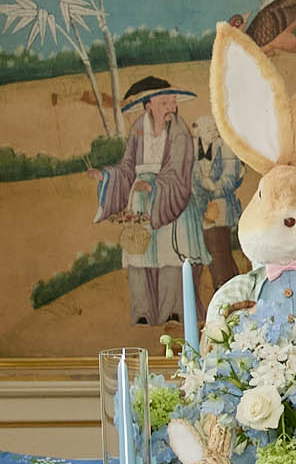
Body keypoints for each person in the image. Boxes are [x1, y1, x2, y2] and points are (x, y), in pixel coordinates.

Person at [96, 75, 204, 326]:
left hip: (172, 197)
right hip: (141, 199)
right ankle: (142, 312)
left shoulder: (179, 131)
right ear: (149, 105)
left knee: (170, 255)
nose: (171, 108)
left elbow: (180, 167)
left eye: (173, 102)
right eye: (165, 103)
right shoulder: (137, 129)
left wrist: (155, 185)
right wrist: (106, 175)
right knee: (139, 252)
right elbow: (126, 167)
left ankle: (172, 311)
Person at [191, 114, 246, 302]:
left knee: (219, 250)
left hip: (222, 207)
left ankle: (228, 294)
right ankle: (226, 294)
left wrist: (213, 188)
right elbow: (193, 179)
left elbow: (231, 177)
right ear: (198, 131)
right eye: (208, 130)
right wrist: (202, 199)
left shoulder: (226, 147)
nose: (213, 133)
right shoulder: (194, 150)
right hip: (203, 208)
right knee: (212, 253)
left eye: (215, 129)